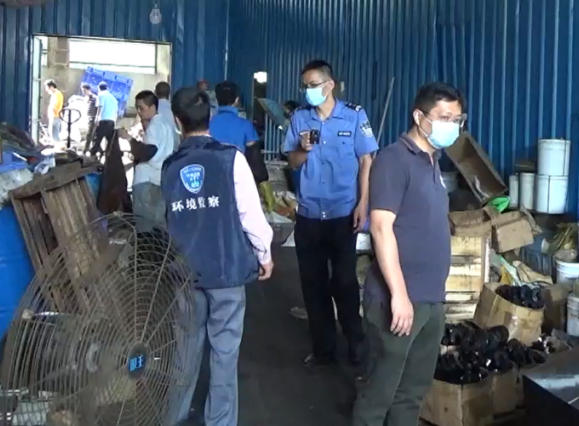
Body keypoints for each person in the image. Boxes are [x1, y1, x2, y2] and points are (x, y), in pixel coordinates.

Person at [353, 82, 464, 426]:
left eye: (457, 119)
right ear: (419, 116)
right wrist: (399, 295)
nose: (452, 126)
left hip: (430, 299)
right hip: (398, 301)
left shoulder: (432, 161)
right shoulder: (393, 160)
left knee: (411, 395)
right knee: (378, 395)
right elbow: (380, 228)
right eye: (444, 117)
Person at [164, 87, 274, 426]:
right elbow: (250, 214)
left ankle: (175, 417)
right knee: (224, 354)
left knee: (185, 350)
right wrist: (264, 254)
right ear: (209, 117)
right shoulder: (230, 158)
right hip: (226, 272)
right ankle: (220, 421)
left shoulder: (170, 166)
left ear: (177, 121)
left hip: (185, 273)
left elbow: (169, 219)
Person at [283, 60, 378, 367]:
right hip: (309, 214)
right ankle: (324, 350)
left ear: (329, 85)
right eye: (305, 86)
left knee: (344, 282)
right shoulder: (300, 118)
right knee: (313, 286)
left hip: (342, 213)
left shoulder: (354, 115)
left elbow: (366, 161)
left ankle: (355, 342)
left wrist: (363, 203)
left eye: (313, 85)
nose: (308, 91)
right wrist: (302, 149)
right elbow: (292, 162)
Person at [128, 90, 174, 231]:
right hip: (159, 179)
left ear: (152, 107)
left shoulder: (154, 125)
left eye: (141, 108)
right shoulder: (165, 124)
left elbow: (149, 151)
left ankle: (145, 246)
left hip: (146, 182)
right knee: (158, 226)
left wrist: (129, 139)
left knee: (145, 227)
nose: (139, 112)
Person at [209, 81, 259, 152]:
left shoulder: (207, 124)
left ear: (216, 100)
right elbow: (253, 153)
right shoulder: (246, 125)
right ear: (237, 100)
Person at [88, 82, 118, 159]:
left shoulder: (101, 95)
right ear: (107, 88)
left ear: (99, 88)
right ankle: (111, 156)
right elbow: (116, 112)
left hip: (103, 120)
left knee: (96, 139)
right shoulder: (113, 98)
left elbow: (100, 107)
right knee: (110, 141)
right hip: (111, 121)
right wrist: (114, 122)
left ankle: (92, 156)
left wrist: (97, 118)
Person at [154, 81, 180, 148]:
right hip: (174, 147)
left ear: (155, 92)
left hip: (156, 148)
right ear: (169, 93)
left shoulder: (152, 109)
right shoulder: (175, 109)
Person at [80, 83, 97, 151]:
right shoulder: (86, 98)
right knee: (90, 135)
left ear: (89, 90)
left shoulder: (95, 98)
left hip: (93, 118)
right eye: (82, 91)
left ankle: (86, 149)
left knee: (89, 134)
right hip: (88, 118)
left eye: (84, 90)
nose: (83, 92)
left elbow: (98, 108)